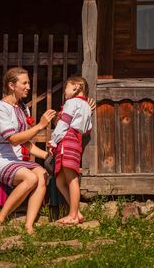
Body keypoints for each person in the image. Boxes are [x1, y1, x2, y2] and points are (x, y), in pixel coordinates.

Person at [0, 67, 56, 234]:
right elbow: (13, 139)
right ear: (12, 85)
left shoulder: (23, 108)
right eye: (24, 83)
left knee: (42, 174)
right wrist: (40, 126)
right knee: (30, 177)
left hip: (18, 159)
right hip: (1, 158)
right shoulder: (0, 108)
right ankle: (1, 217)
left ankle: (29, 225)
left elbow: (25, 143)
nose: (28, 87)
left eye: (28, 83)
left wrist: (48, 155)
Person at [48, 77, 92, 225]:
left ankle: (72, 215)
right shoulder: (86, 106)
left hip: (67, 140)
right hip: (76, 141)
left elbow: (64, 123)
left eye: (66, 88)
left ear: (76, 87)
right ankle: (77, 213)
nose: (64, 92)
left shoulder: (71, 102)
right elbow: (87, 129)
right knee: (60, 181)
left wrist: (53, 141)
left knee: (71, 179)